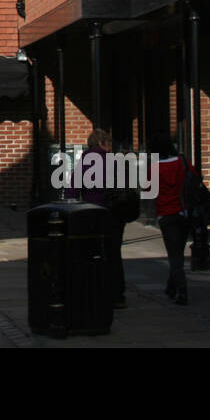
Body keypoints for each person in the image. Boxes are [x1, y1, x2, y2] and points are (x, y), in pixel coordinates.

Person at [66, 128, 127, 308]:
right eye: (108, 143)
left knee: (93, 253)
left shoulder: (86, 162)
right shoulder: (115, 161)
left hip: (93, 213)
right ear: (102, 143)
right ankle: (118, 295)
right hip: (115, 213)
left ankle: (98, 291)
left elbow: (73, 189)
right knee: (114, 253)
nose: (110, 147)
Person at [151, 133, 192, 305]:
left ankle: (182, 290)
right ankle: (171, 286)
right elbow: (195, 179)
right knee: (178, 252)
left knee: (174, 255)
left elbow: (148, 189)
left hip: (166, 214)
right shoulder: (183, 163)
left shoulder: (154, 168)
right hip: (184, 213)